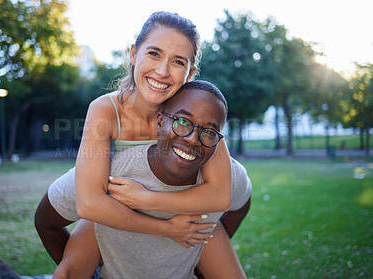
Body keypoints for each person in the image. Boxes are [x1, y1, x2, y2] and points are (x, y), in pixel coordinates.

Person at [35, 11, 251, 278]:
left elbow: (220, 194)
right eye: (154, 54)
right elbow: (89, 203)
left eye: (178, 61)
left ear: (190, 73)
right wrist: (166, 229)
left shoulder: (195, 116)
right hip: (120, 212)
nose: (162, 71)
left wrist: (147, 199)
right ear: (134, 54)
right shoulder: (106, 110)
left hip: (168, 206)